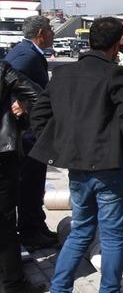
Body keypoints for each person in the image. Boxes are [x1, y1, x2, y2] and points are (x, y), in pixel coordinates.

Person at [29, 17, 123, 293]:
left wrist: (63, 145)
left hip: (78, 168)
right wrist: (122, 146)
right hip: (110, 168)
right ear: (117, 44)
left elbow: (39, 113)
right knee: (112, 235)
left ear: (91, 41)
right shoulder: (115, 73)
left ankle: (59, 289)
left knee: (81, 231)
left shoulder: (64, 74)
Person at [4, 15, 54, 248]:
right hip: (28, 133)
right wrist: (18, 100)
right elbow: (10, 77)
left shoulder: (26, 50)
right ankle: (31, 233)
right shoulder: (26, 54)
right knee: (31, 182)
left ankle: (37, 226)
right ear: (41, 33)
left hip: (28, 131)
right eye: (50, 30)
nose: (53, 34)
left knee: (32, 183)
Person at [0, 60, 42, 293]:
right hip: (2, 154)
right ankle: (14, 284)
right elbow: (37, 95)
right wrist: (22, 107)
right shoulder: (3, 69)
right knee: (5, 221)